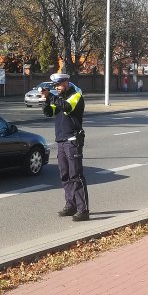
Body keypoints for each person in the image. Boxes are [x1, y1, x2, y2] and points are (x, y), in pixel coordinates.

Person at [41, 73, 90, 221]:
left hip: (73, 140)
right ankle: (71, 205)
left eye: (59, 85)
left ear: (66, 83)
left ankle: (83, 209)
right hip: (61, 141)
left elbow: (67, 108)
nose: (56, 87)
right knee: (65, 175)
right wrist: (45, 100)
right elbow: (49, 112)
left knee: (76, 175)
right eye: (55, 86)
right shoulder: (59, 98)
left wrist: (51, 96)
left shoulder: (75, 96)